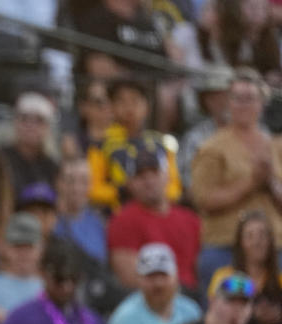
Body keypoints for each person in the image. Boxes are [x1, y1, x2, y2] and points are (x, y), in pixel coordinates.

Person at [193, 68, 282, 292]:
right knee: (231, 309)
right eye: (237, 98)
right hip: (227, 248)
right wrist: (251, 183)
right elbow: (203, 199)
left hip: (274, 250)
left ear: (262, 102)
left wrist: (270, 183)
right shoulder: (212, 148)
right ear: (228, 103)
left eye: (250, 98)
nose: (243, 105)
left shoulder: (276, 146)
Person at [107, 148, 201, 290]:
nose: (149, 181)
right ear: (129, 183)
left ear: (167, 176)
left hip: (195, 295)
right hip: (154, 297)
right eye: (141, 176)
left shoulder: (190, 219)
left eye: (155, 173)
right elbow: (129, 277)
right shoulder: (122, 221)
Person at [90, 77, 182, 210]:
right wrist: (123, 191)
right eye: (121, 101)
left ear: (147, 106)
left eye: (135, 100)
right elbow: (93, 190)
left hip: (158, 214)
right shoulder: (101, 145)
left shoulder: (161, 143)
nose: (129, 108)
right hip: (120, 215)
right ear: (111, 107)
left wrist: (154, 194)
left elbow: (175, 188)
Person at [207, 210, 282, 324]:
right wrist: (252, 314)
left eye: (263, 235)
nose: (257, 242)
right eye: (250, 236)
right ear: (240, 242)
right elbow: (214, 311)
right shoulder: (225, 276)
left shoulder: (279, 280)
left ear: (271, 241)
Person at [0, 92, 60, 197]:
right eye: (24, 118)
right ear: (15, 123)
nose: (30, 125)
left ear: (48, 128)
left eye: (39, 120)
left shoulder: (52, 167)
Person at [54, 157, 107, 265]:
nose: (76, 188)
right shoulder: (49, 222)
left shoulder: (99, 223)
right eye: (70, 181)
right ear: (58, 183)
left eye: (84, 181)